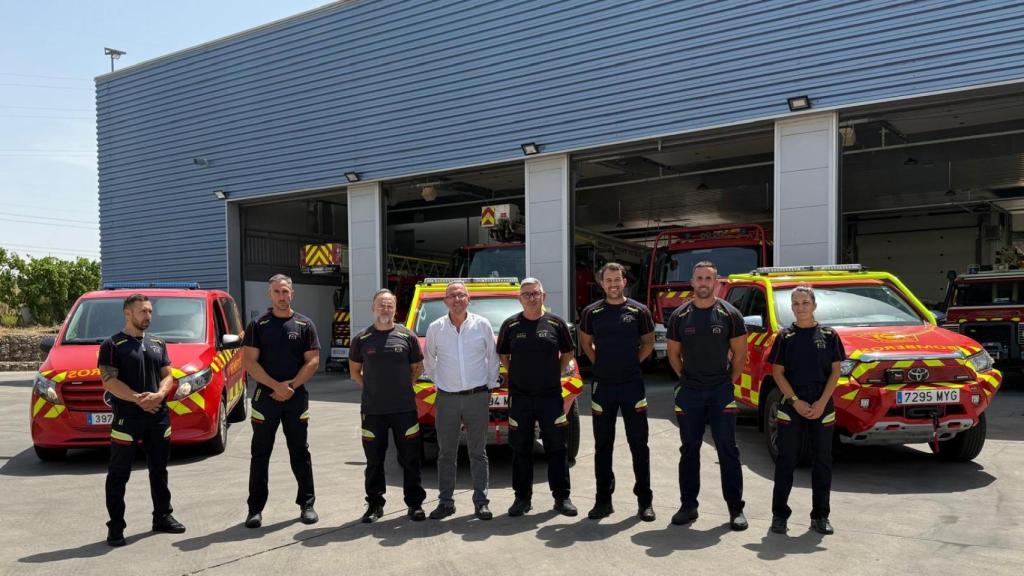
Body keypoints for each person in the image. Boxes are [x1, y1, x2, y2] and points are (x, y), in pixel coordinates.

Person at [666, 261, 749, 530]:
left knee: (728, 449)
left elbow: (740, 354)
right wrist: (686, 380)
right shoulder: (679, 316)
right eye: (699, 278)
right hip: (690, 392)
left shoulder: (729, 314)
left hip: (720, 391)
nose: (703, 282)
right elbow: (673, 355)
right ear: (692, 282)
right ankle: (688, 506)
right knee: (689, 449)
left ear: (717, 282)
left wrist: (727, 382)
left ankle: (735, 509)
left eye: (708, 278)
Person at [98, 293, 186, 546]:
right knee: (118, 474)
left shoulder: (158, 343)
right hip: (127, 419)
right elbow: (109, 381)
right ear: (128, 313)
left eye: (149, 311)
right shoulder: (112, 345)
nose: (148, 315)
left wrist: (159, 395)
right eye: (142, 311)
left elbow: (168, 375)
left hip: (158, 418)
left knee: (159, 470)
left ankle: (162, 516)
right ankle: (115, 527)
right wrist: (139, 399)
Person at [578, 262, 656, 521]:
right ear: (602, 283)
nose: (613, 284)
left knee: (639, 444)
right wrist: (598, 362)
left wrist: (634, 362)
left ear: (625, 281)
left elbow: (648, 342)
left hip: (632, 385)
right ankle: (603, 501)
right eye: (608, 280)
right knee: (603, 445)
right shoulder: (592, 312)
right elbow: (585, 341)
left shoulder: (639, 310)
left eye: (617, 279)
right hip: (603, 386)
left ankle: (645, 501)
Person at [242, 274, 321, 529]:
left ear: (292, 293)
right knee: (260, 454)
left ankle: (307, 504)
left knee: (300, 451)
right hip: (266, 398)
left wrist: (291, 386)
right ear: (270, 295)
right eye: (276, 292)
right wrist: (276, 386)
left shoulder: (304, 324)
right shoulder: (258, 325)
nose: (281, 296)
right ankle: (255, 509)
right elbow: (249, 362)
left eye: (285, 291)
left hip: (296, 397)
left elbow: (313, 361)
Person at [496, 277, 578, 517]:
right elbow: (503, 355)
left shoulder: (556, 323)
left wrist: (556, 372)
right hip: (520, 397)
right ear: (519, 298)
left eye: (536, 293)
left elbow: (569, 352)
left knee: (557, 448)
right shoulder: (510, 325)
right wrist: (517, 373)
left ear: (544, 296)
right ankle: (522, 498)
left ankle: (562, 498)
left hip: (550, 397)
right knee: (520, 448)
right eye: (527, 294)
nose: (532, 297)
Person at [767, 285, 844, 535]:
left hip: (822, 402)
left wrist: (822, 402)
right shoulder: (784, 337)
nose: (800, 308)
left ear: (814, 305)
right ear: (792, 308)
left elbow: (835, 371)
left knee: (822, 461)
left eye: (805, 303)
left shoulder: (829, 335)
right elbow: (777, 372)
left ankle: (820, 516)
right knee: (786, 460)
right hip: (792, 404)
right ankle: (779, 516)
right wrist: (794, 400)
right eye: (796, 304)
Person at [423, 282, 500, 521]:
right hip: (447, 399)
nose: (457, 299)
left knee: (478, 452)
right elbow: (429, 360)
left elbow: (493, 357)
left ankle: (481, 502)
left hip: (477, 397)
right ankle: (446, 502)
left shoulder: (482, 325)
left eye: (461, 295)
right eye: (452, 296)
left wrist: (487, 386)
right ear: (445, 301)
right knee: (446, 453)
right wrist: (443, 382)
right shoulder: (436, 328)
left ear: (469, 299)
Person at [349, 288, 427, 522]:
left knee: (410, 459)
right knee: (374, 461)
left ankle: (414, 504)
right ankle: (374, 505)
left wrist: (403, 386)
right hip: (373, 411)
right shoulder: (361, 339)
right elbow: (354, 371)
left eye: (389, 305)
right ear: (373, 308)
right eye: (381, 304)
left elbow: (417, 368)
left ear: (395, 309)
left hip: (404, 410)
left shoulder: (407, 336)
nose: (385, 308)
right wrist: (372, 388)